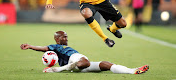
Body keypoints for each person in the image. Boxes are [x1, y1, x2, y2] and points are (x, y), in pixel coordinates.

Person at [20, 31, 149, 74]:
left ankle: (132, 71)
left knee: (105, 64)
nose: (66, 38)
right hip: (75, 58)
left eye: (66, 36)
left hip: (77, 66)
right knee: (85, 62)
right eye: (64, 37)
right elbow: (43, 48)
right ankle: (60, 69)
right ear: (57, 39)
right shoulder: (56, 47)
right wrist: (30, 46)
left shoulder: (59, 50)